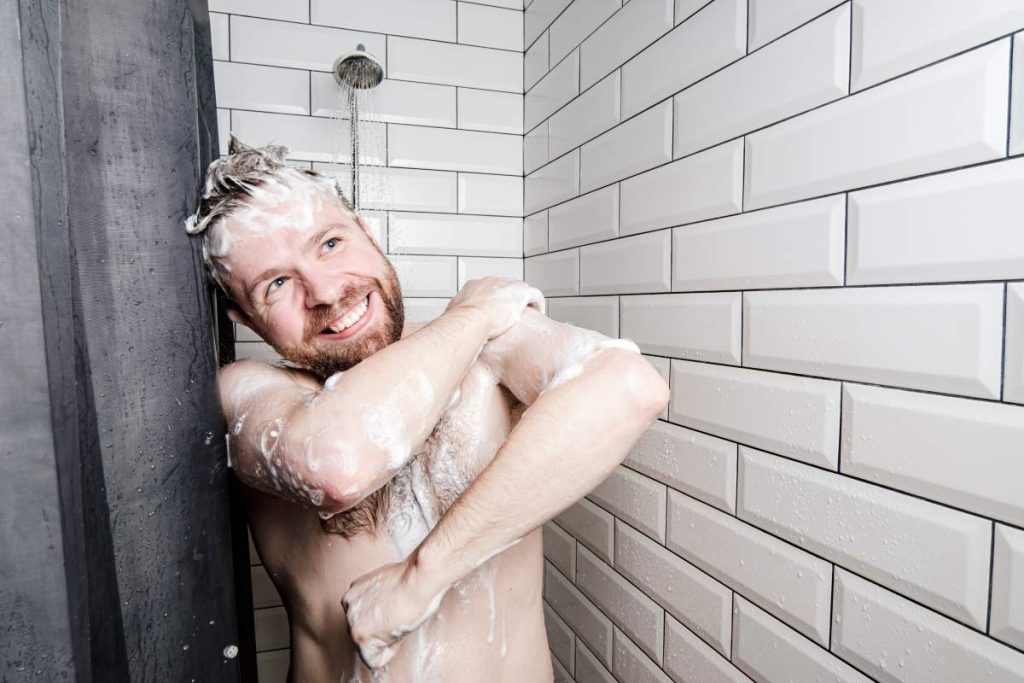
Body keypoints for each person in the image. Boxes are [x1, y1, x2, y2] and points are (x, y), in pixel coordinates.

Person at [185, 138, 669, 681]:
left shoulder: (487, 354)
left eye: (329, 244)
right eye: (276, 283)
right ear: (244, 319)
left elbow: (629, 386)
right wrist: (476, 315)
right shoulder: (246, 394)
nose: (323, 291)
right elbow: (339, 462)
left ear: (367, 232)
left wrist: (420, 579)